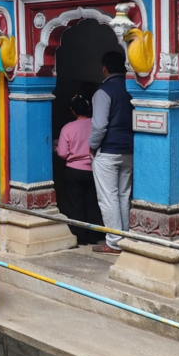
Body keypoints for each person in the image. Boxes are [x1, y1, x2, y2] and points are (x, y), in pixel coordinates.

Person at [89, 49, 134, 255]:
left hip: (107, 151)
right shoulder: (132, 87)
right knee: (123, 196)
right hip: (129, 150)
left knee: (108, 197)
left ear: (104, 68)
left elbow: (99, 126)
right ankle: (124, 238)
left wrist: (91, 146)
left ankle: (114, 242)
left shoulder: (103, 91)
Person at [56, 94, 104, 246]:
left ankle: (80, 237)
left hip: (73, 171)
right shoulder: (96, 125)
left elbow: (62, 153)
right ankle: (93, 236)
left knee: (76, 205)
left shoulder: (68, 128)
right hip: (94, 169)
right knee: (93, 203)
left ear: (72, 111)